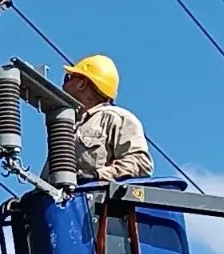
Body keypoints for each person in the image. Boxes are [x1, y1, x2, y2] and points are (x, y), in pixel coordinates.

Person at [42, 53, 154, 183]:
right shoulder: (69, 127)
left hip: (95, 201)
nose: (63, 86)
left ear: (82, 84)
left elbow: (140, 164)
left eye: (68, 78)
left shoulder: (117, 119)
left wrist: (97, 176)